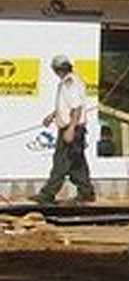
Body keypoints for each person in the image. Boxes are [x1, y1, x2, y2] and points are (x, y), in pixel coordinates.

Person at [33, 54, 94, 205]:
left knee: (61, 161)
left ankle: (47, 194)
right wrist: (53, 115)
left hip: (71, 128)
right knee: (77, 163)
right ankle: (86, 192)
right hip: (73, 127)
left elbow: (76, 108)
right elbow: (67, 106)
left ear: (57, 69)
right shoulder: (71, 81)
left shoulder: (69, 83)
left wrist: (71, 129)